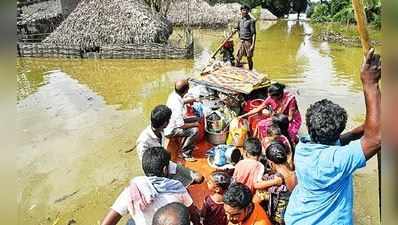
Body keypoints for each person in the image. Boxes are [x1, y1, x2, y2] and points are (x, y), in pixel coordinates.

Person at [284, 49, 381, 225]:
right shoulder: (337, 161)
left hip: (297, 218)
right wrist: (370, 84)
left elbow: (350, 136)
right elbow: (376, 139)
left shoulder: (303, 147)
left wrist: (374, 123)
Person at [100, 147, 200, 225]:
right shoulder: (177, 187)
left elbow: (107, 223)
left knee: (131, 222)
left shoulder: (132, 190)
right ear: (165, 169)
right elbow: (194, 214)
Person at [136, 105, 204, 186]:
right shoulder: (143, 141)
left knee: (199, 177)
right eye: (169, 120)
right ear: (165, 123)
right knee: (180, 185)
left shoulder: (160, 130)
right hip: (158, 173)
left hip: (167, 164)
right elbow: (147, 167)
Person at [255, 143, 297, 225]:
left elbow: (255, 202)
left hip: (278, 221)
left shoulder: (273, 181)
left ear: (270, 163)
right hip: (295, 219)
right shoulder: (298, 174)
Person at [165, 79, 199, 162]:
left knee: (195, 117)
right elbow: (181, 125)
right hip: (171, 130)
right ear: (186, 91)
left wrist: (192, 100)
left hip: (174, 122)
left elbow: (181, 101)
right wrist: (195, 124)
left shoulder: (173, 95)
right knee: (195, 130)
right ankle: (185, 153)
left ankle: (188, 144)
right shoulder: (177, 106)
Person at [235, 4, 256, 70]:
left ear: (248, 11)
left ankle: (250, 70)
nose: (244, 12)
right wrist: (235, 30)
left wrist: (253, 45)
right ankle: (237, 70)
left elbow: (254, 34)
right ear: (241, 11)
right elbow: (238, 28)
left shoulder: (251, 21)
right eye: (243, 10)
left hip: (248, 42)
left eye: (246, 10)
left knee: (249, 57)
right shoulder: (240, 20)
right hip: (241, 41)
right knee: (238, 57)